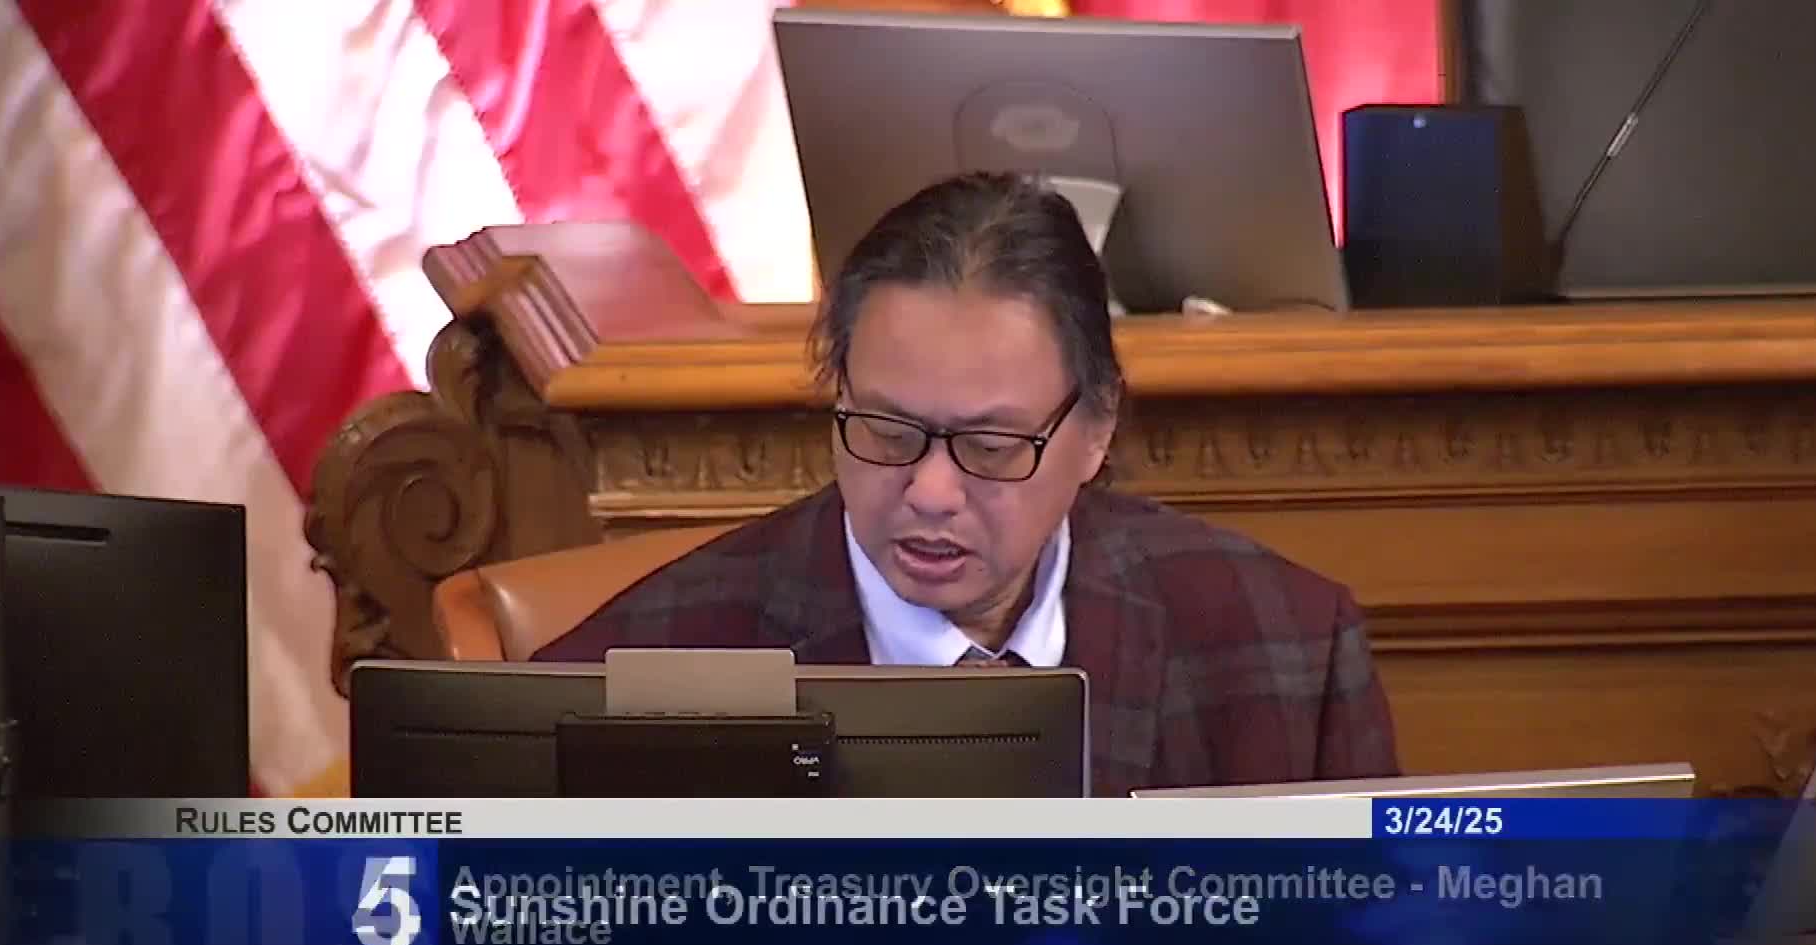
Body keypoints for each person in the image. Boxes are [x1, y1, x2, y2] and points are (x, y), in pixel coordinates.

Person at [535, 171, 1398, 796]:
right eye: (887, 432)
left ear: (1096, 428)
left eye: (991, 445)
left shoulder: (1283, 644)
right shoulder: (632, 679)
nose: (932, 492)